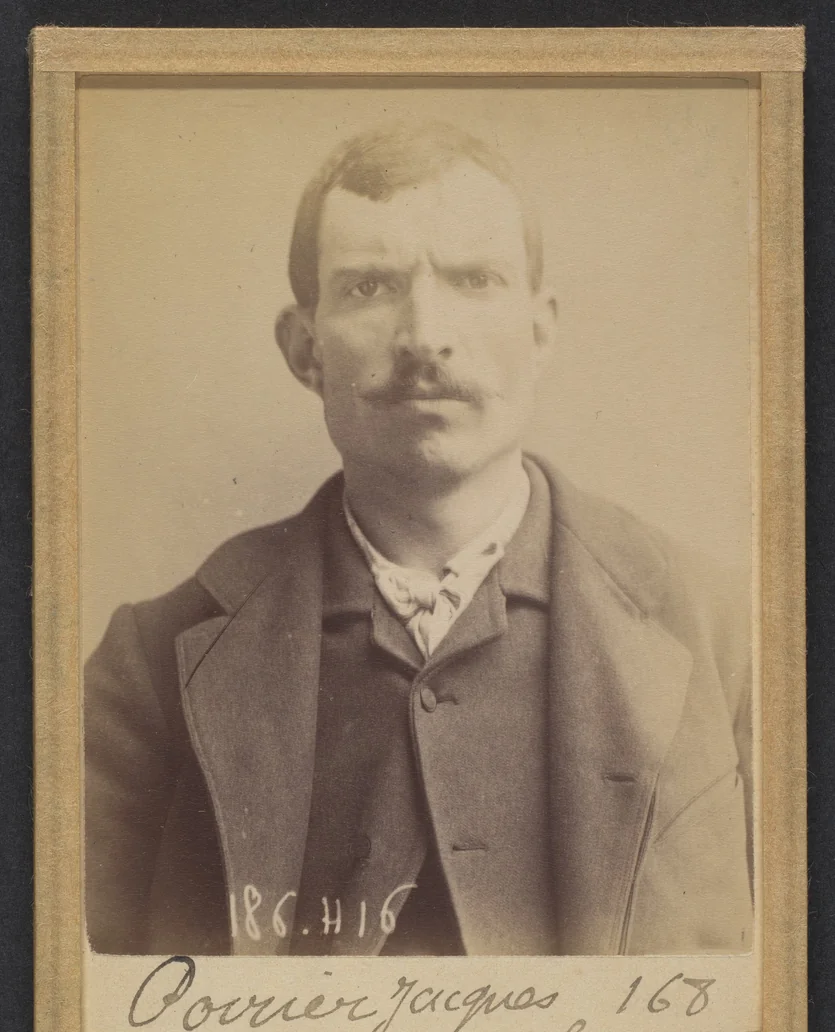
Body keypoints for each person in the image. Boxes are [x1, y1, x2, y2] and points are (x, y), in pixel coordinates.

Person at [84, 121, 753, 957]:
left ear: (539, 330)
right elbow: (82, 1009)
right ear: (304, 349)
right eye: (369, 287)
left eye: (474, 280)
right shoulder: (149, 665)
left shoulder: (728, 637)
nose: (424, 334)